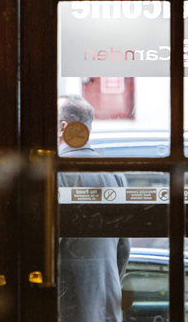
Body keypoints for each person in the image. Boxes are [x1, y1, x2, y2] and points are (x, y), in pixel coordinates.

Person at [57, 94, 131, 322]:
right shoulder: (115, 173)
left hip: (67, 299)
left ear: (63, 127)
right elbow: (123, 247)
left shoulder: (56, 172)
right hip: (108, 298)